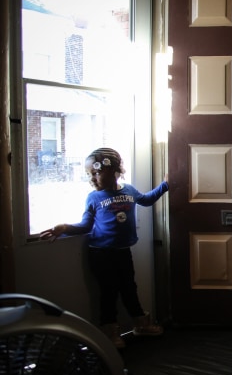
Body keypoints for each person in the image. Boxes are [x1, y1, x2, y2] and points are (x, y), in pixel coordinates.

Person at [40, 147, 169, 349]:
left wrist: (166, 184)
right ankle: (110, 333)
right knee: (108, 293)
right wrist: (64, 229)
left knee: (129, 289)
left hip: (122, 252)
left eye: (96, 173)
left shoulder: (129, 190)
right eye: (89, 175)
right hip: (100, 254)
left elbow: (147, 200)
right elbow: (85, 226)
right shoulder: (94, 198)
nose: (92, 179)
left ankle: (140, 324)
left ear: (114, 170)